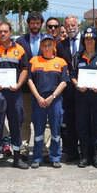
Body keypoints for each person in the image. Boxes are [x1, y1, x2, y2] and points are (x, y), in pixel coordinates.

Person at [0, 21, 29, 170]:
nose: (2, 34)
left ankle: (17, 157)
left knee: (16, 124)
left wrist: (19, 84)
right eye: (0, 31)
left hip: (14, 94)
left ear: (10, 32)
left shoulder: (20, 49)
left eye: (5, 31)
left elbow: (24, 69)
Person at [71, 27, 97, 168]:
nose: (89, 41)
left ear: (95, 40)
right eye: (86, 39)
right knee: (82, 126)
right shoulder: (77, 56)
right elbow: (73, 76)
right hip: (82, 97)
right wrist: (77, 85)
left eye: (91, 39)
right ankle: (85, 156)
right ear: (83, 41)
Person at [28, 34, 68, 168]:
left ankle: (55, 157)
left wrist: (52, 97)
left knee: (55, 130)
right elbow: (29, 80)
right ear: (40, 46)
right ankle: (37, 157)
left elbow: (64, 82)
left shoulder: (61, 62)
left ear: (54, 46)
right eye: (44, 45)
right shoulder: (34, 61)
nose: (46, 47)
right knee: (38, 131)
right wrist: (38, 97)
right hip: (38, 100)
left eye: (49, 44)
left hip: (55, 101)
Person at [16, 12, 46, 160]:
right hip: (26, 88)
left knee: (44, 121)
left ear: (41, 24)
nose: (35, 25)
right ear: (28, 24)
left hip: (44, 87)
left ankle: (45, 148)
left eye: (37, 23)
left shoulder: (48, 40)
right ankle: (24, 147)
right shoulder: (20, 41)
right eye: (32, 23)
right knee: (25, 119)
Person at [56, 15, 82, 162]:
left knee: (84, 120)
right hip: (68, 89)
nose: (71, 28)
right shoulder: (60, 45)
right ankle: (71, 151)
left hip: (85, 87)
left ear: (78, 25)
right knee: (69, 121)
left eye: (73, 25)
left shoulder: (88, 41)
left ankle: (86, 150)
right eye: (68, 25)